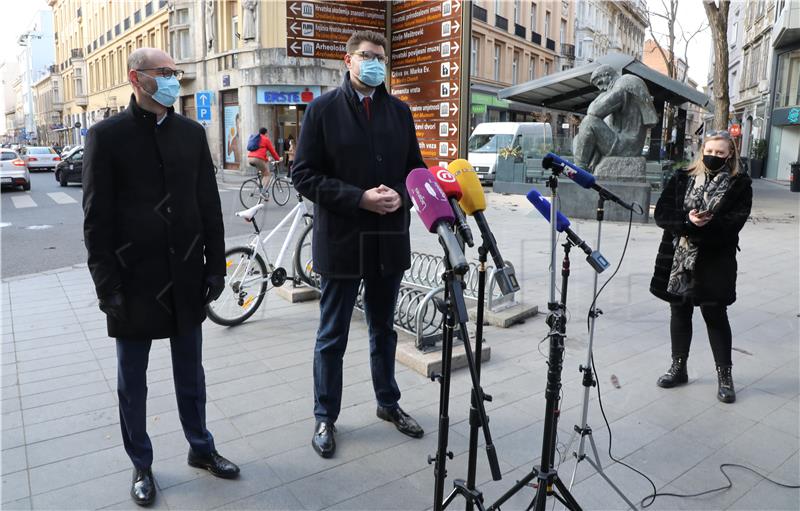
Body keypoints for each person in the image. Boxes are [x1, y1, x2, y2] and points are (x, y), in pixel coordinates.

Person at [82, 48, 239, 507]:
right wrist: (105, 285)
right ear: (137, 79)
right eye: (164, 73)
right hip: (133, 281)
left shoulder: (191, 133)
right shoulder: (106, 136)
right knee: (133, 380)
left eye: (176, 72)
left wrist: (215, 267)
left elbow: (209, 205)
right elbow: (96, 219)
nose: (173, 79)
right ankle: (142, 463)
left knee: (191, 372)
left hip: (187, 273)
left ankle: (201, 448)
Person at [292, 30, 427, 459]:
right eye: (367, 56)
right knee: (332, 335)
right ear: (348, 61)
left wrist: (401, 196)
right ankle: (325, 416)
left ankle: (388, 403)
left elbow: (415, 171)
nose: (375, 64)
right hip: (344, 241)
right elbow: (304, 175)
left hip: (388, 240)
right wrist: (360, 198)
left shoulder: (399, 112)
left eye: (380, 58)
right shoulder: (322, 110)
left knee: (384, 330)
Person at [650, 130, 752, 404]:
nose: (714, 156)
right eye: (710, 150)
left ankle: (725, 376)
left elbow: (734, 222)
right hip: (678, 261)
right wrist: (687, 221)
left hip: (715, 260)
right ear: (702, 149)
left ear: (730, 154)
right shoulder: (682, 177)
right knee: (679, 311)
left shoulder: (740, 184)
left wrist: (700, 227)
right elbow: (661, 213)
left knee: (715, 314)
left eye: (720, 152)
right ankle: (678, 367)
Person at [572, 64, 658, 170]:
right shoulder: (624, 83)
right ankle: (583, 166)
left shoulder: (623, 84)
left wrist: (602, 96)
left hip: (626, 144)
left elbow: (594, 112)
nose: (601, 88)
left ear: (607, 75)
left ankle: (579, 170)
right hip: (628, 143)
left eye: (600, 83)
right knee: (578, 138)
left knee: (588, 122)